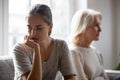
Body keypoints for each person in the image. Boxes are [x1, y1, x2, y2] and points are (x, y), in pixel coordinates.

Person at [13, 4, 76, 80]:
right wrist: (36, 49)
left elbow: (70, 77)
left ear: (50, 27)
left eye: (39, 28)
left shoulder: (61, 46)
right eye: (29, 28)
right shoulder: (19, 49)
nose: (32, 33)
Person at [69, 9, 109, 80]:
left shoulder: (94, 50)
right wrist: (100, 78)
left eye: (99, 25)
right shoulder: (73, 52)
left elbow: (106, 77)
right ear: (83, 28)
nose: (100, 29)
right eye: (96, 25)